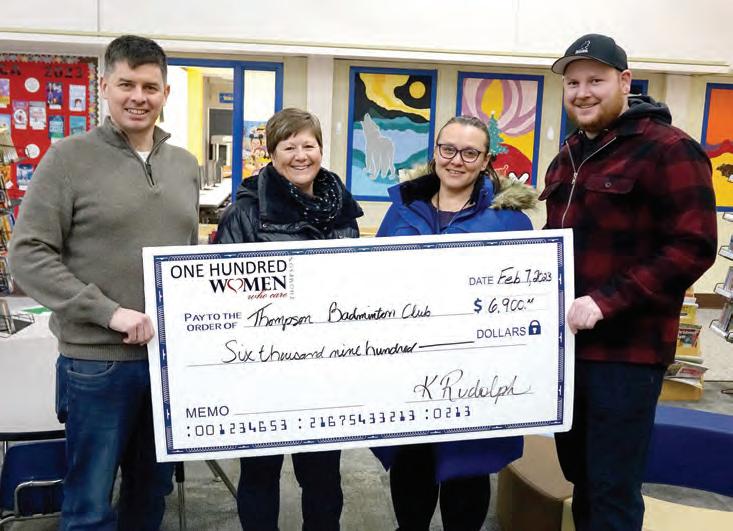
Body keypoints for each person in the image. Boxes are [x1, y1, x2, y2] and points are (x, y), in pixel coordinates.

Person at [9, 35, 199, 530]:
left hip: (165, 364)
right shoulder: (67, 159)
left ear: (165, 93)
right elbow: (28, 254)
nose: (139, 97)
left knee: (150, 495)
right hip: (96, 365)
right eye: (126, 84)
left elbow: (187, 257)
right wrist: (108, 312)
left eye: (150, 87)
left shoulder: (184, 165)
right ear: (104, 87)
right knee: (90, 503)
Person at [542, 34, 717, 531]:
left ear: (624, 81)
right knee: (580, 479)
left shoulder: (669, 150)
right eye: (573, 83)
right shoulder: (569, 154)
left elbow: (693, 246)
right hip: (569, 351)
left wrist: (606, 301)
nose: (582, 92)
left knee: (612, 488)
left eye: (595, 80)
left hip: (626, 355)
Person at [374, 115, 536, 531]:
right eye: (448, 149)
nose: (456, 160)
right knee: (412, 464)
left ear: (485, 160)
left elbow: (526, 299)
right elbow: (373, 281)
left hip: (475, 374)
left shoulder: (509, 221)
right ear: (435, 153)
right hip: (408, 368)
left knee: (467, 467)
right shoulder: (402, 210)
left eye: (469, 153)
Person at [215, 107, 363, 530]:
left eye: (308, 145)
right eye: (289, 146)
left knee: (323, 479)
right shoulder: (245, 214)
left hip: (324, 374)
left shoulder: (342, 212)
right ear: (272, 153)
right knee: (260, 474)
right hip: (261, 372)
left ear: (321, 149)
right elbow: (221, 297)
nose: (301, 155)